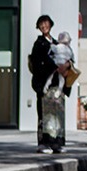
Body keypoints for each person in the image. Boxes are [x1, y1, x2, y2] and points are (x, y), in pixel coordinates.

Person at [27, 14, 58, 154]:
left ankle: (55, 142)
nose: (44, 26)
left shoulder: (56, 43)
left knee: (55, 114)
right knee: (43, 113)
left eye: (46, 23)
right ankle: (43, 143)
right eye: (41, 24)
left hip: (55, 84)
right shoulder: (38, 43)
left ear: (50, 25)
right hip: (44, 83)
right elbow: (37, 64)